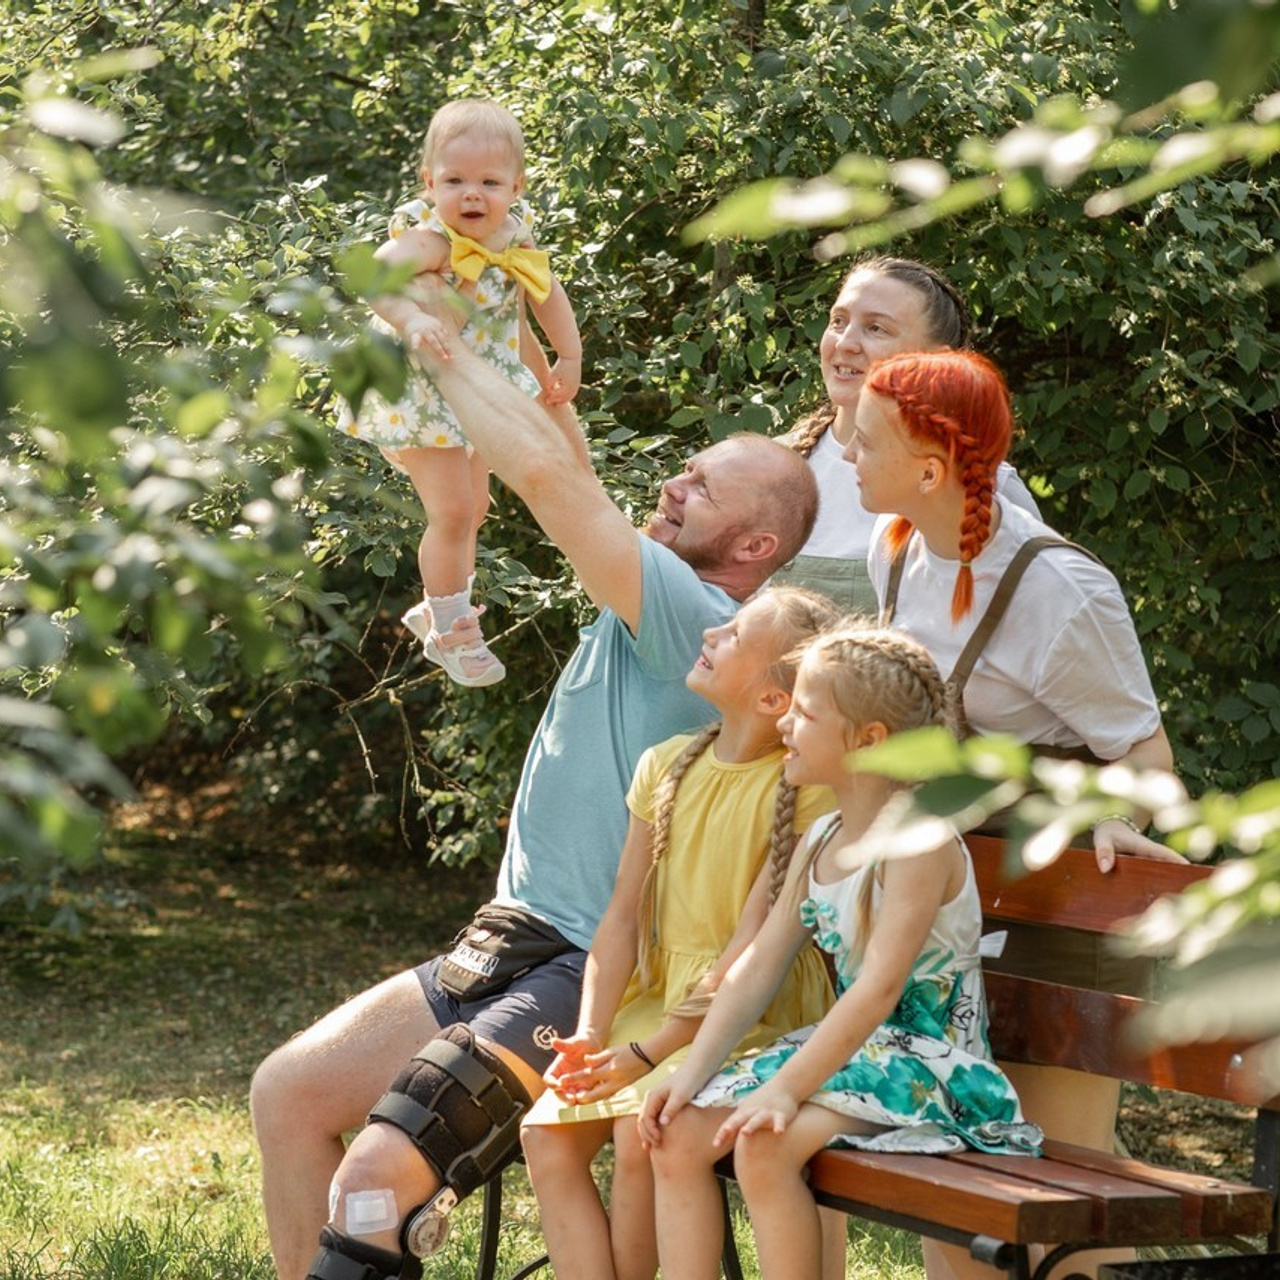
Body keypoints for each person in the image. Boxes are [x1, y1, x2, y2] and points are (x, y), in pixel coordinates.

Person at [250, 321, 820, 1279]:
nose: (675, 486)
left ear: (753, 545)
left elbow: (553, 488)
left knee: (376, 1185)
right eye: (685, 469)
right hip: (509, 935)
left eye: (703, 487)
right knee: (291, 1094)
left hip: (581, 967)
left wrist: (438, 353)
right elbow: (566, 460)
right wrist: (509, 316)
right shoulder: (659, 584)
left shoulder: (696, 612)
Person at [847, 348, 1180, 1279]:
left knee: (1047, 1196)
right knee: (945, 1157)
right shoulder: (898, 545)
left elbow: (1148, 759)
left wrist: (1125, 818)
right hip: (951, 891)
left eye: (864, 441)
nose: (846, 454)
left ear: (929, 467)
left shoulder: (1059, 590)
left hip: (1059, 895)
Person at [639, 624, 1042, 1280]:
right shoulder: (823, 837)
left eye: (805, 712)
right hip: (856, 1056)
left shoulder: (917, 841)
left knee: (763, 1147)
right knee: (677, 1134)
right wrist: (685, 1077)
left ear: (868, 739)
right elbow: (756, 972)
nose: (787, 725)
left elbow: (880, 990)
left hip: (934, 1068)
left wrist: (784, 1091)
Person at [520, 586, 840, 1280]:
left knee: (642, 1135)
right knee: (544, 1133)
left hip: (753, 1010)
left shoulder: (804, 787)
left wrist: (651, 1050)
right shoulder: (665, 764)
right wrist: (591, 1029)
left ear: (772, 700)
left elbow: (753, 950)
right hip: (657, 1000)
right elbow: (621, 918)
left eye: (735, 634)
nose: (713, 630)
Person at [338, 97, 583, 687]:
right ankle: (453, 628)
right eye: (454, 181)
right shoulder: (433, 240)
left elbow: (546, 293)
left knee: (475, 510)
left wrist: (567, 354)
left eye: (489, 182)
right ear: (429, 183)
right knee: (449, 511)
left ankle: (436, 607)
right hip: (421, 395)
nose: (471, 194)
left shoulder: (514, 236)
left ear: (517, 186)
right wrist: (409, 318)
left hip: (481, 390)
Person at [771, 257, 1041, 614]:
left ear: (935, 360)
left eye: (876, 329)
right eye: (838, 321)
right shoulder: (770, 468)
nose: (846, 343)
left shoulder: (986, 491)